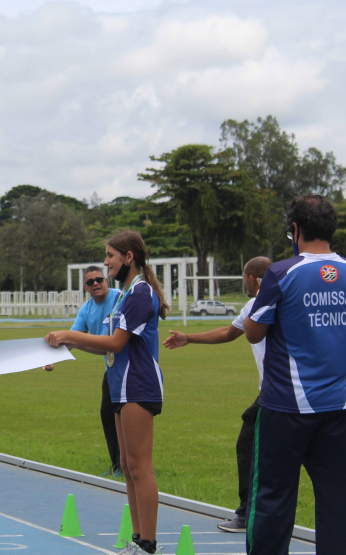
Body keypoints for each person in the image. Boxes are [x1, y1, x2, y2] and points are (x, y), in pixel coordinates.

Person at [46, 230, 168, 555]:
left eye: (110, 256)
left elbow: (115, 343)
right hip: (120, 384)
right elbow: (106, 349)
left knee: (140, 466)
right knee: (127, 466)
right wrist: (68, 341)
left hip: (138, 384)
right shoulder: (127, 293)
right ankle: (138, 539)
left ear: (128, 257)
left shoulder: (140, 292)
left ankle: (148, 544)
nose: (105, 262)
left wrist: (69, 336)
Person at [243, 195, 346, 555]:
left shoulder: (282, 272)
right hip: (339, 405)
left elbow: (253, 331)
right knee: (338, 500)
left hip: (287, 405)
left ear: (296, 229)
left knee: (272, 497)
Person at [162, 256, 271, 533]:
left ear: (252, 278)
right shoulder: (284, 300)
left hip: (277, 392)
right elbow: (227, 332)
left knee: (249, 446)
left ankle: (248, 516)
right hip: (294, 391)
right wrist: (189, 338)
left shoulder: (256, 304)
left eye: (244, 276)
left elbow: (229, 333)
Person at [45, 265, 122, 477]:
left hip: (129, 368)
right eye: (90, 282)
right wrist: (52, 360)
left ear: (106, 281)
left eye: (99, 279)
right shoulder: (86, 310)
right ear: (85, 287)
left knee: (124, 419)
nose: (96, 284)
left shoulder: (120, 299)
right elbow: (71, 338)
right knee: (108, 416)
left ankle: (129, 467)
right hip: (112, 368)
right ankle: (117, 467)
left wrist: (74, 343)